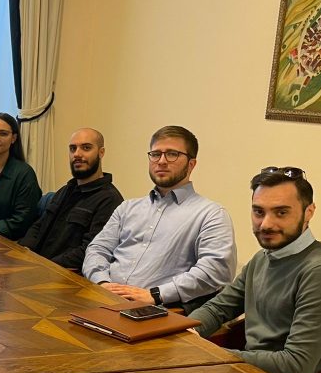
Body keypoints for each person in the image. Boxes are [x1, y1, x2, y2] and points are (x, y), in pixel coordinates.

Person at [189, 167, 321, 373]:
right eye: (259, 212)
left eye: (281, 212)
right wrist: (187, 332)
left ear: (309, 212)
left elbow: (294, 366)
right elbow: (217, 308)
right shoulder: (263, 258)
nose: (266, 224)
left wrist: (212, 356)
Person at [82, 125, 236, 312]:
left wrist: (157, 294)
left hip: (153, 312)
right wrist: (102, 282)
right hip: (101, 299)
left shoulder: (211, 214)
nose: (161, 161)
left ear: (191, 164)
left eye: (172, 154)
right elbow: (97, 249)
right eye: (155, 154)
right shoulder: (127, 208)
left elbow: (216, 271)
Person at [18, 127, 123, 269]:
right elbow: (39, 226)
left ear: (101, 152)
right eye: (73, 149)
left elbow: (90, 251)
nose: (77, 154)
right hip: (35, 266)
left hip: (62, 274)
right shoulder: (65, 190)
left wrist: (45, 266)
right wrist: (24, 250)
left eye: (86, 148)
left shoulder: (110, 200)